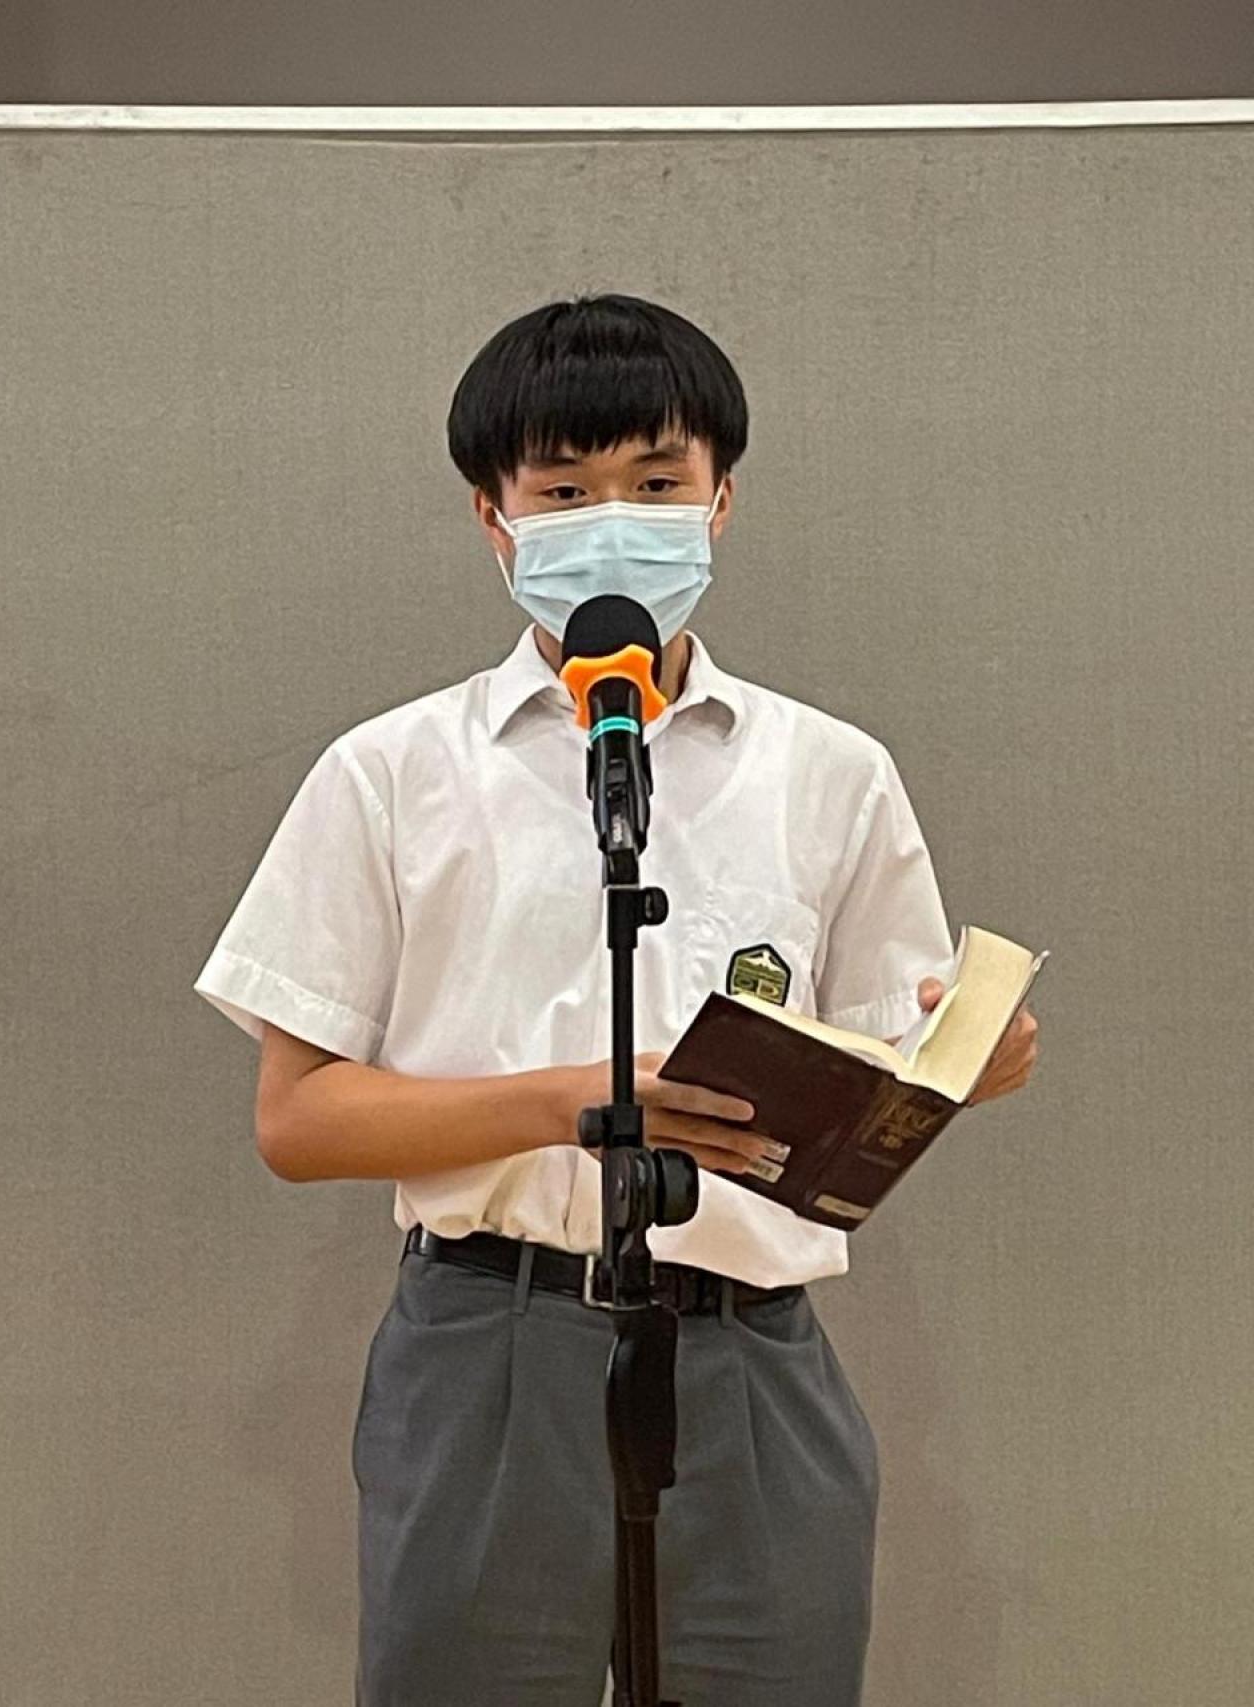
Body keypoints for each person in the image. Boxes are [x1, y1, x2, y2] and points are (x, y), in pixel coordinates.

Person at [192, 291, 1037, 1706]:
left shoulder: (829, 772)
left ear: (721, 500)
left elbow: (889, 1055)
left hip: (755, 1353)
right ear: (494, 516)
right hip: (490, 1343)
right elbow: (300, 1119)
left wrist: (967, 1060)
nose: (616, 521)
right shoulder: (392, 774)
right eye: (566, 491)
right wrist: (581, 1104)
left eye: (657, 484)